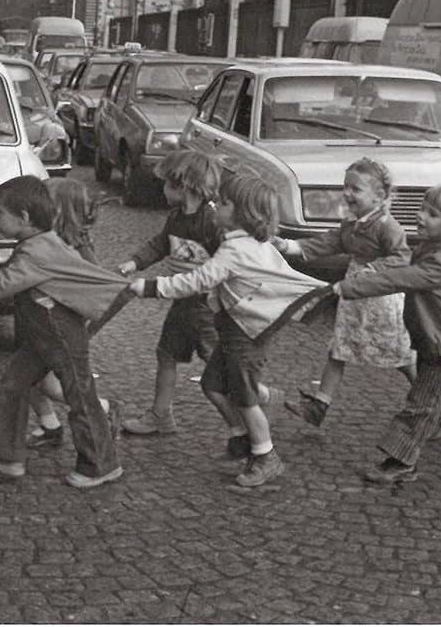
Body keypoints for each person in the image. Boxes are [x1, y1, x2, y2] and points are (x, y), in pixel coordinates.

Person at [0, 177, 128, 489]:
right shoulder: (39, 243)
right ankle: (5, 457)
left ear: (23, 217)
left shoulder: (38, 251)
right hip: (42, 337)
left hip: (60, 336)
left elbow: (2, 285)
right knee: (13, 385)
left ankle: (101, 464)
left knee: (81, 398)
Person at [139, 172, 327, 488]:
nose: (215, 205)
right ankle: (242, 439)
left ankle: (266, 456)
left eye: (223, 202)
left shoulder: (235, 251)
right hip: (234, 330)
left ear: (241, 212)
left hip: (246, 333)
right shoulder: (248, 242)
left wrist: (149, 287)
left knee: (245, 396)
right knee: (212, 384)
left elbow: (196, 280)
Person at [335, 185, 441, 483]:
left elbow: (400, 279)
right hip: (433, 340)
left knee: (421, 405)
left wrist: (348, 287)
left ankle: (402, 461)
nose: (421, 216)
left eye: (432, 214)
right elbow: (399, 267)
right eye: (423, 209)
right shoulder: (432, 249)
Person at [274, 158, 413, 427]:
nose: (347, 194)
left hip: (380, 297)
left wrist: (373, 269)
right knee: (339, 348)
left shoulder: (387, 225)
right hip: (354, 294)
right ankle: (319, 405)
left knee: (399, 353)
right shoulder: (352, 223)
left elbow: (402, 257)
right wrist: (288, 246)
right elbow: (329, 242)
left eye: (356, 189)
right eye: (345, 187)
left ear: (379, 196)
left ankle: (435, 400)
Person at [117, 149, 223, 436]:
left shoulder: (212, 222)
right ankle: (160, 415)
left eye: (166, 184)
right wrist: (135, 262)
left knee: (221, 368)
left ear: (184, 186)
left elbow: (227, 263)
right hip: (182, 302)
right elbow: (160, 244)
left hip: (208, 308)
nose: (161, 189)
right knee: (166, 354)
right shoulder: (176, 217)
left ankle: (252, 412)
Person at [26, 177, 120, 448]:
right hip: (40, 325)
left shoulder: (79, 250)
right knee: (28, 380)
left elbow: (99, 292)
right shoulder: (48, 242)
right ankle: (49, 426)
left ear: (55, 210)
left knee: (53, 385)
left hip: (62, 329)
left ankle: (102, 408)